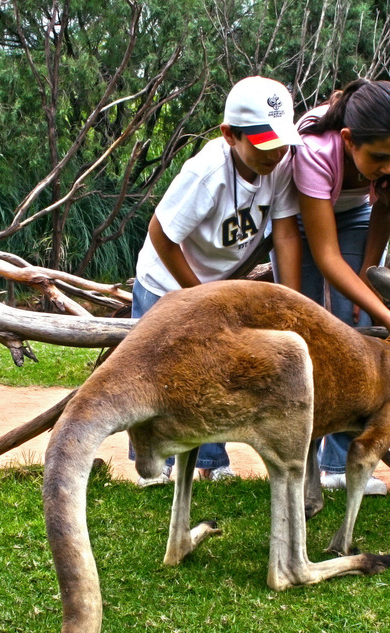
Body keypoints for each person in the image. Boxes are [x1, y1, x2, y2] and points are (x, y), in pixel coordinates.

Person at [130, 75, 304, 486]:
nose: (275, 152)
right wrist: (200, 296)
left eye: (282, 142)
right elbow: (162, 233)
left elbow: (284, 234)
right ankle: (150, 464)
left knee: (212, 373)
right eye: (263, 143)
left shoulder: (277, 167)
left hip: (216, 283)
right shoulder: (208, 172)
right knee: (155, 376)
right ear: (230, 134)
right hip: (166, 282)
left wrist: (291, 303)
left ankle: (211, 461)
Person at [293, 78, 390, 494]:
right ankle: (300, 462)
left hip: (359, 216)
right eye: (380, 157)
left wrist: (370, 278)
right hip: (302, 220)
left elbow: (385, 210)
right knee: (310, 327)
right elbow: (327, 256)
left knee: (358, 323)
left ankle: (340, 465)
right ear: (349, 140)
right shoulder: (314, 151)